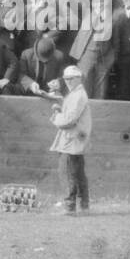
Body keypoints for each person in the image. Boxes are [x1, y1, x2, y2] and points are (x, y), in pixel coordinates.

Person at [49, 65, 92, 215]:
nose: (67, 82)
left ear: (78, 78)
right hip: (76, 140)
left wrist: (56, 115)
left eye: (70, 79)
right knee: (78, 173)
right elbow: (71, 116)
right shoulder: (77, 93)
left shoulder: (78, 95)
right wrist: (61, 110)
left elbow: (69, 120)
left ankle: (70, 207)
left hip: (70, 139)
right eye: (66, 79)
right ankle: (83, 205)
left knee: (66, 172)